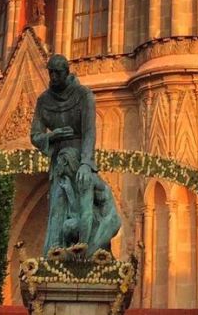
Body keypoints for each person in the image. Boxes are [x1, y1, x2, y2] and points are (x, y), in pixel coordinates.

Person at [30, 53, 121, 254]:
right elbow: (35, 135)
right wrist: (52, 136)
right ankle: (53, 255)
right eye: (50, 73)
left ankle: (84, 250)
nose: (53, 77)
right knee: (57, 207)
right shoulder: (43, 100)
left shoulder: (83, 95)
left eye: (58, 73)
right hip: (59, 161)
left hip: (79, 158)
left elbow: (89, 131)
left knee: (83, 203)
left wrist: (85, 164)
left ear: (66, 72)